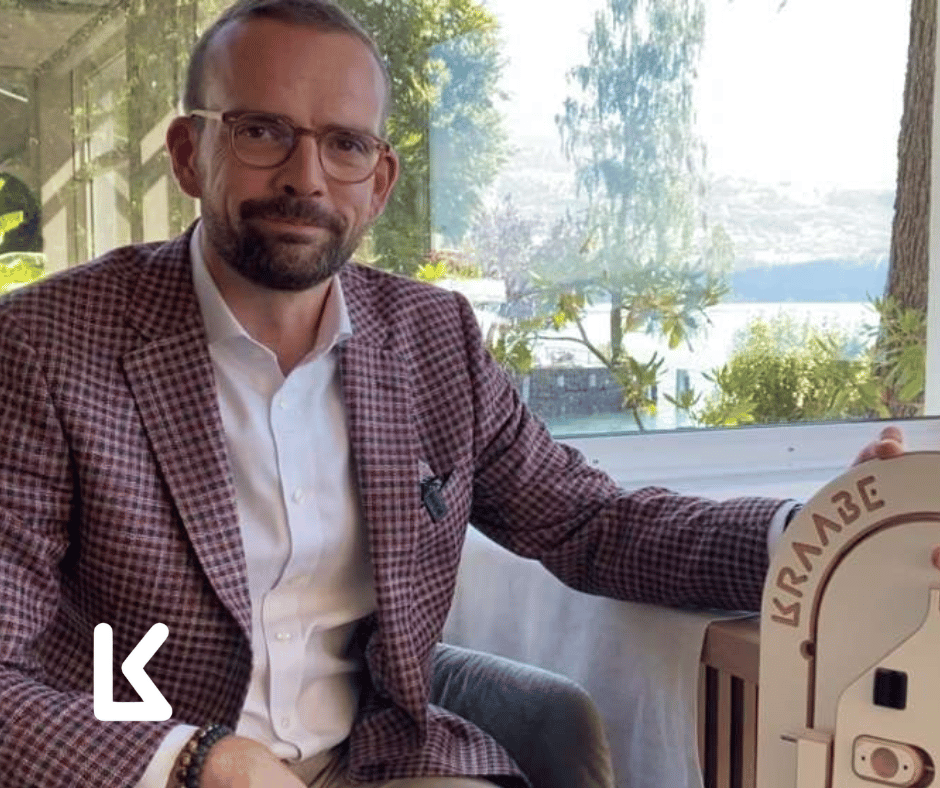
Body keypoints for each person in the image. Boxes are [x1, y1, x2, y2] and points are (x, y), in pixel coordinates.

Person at [0, 1, 907, 787]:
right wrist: (196, 760)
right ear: (190, 154)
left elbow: (590, 525)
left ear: (379, 182)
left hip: (375, 760)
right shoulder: (46, 346)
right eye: (263, 131)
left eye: (344, 144)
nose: (306, 177)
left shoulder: (431, 339)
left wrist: (826, 535)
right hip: (147, 761)